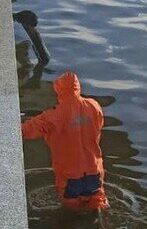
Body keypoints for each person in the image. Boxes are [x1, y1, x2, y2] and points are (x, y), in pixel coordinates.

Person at [21, 71, 109, 211]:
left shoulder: (54, 115)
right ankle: (102, 227)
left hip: (70, 176)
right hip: (94, 170)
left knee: (70, 209)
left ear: (59, 90)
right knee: (97, 203)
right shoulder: (94, 106)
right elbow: (98, 125)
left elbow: (26, 131)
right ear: (78, 87)